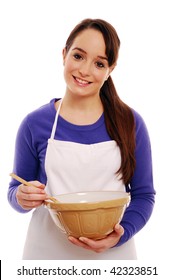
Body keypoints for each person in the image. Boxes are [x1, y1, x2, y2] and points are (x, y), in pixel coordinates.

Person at [8, 18, 155, 260]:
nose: (85, 70)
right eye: (78, 56)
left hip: (113, 257)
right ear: (64, 54)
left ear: (111, 70)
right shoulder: (34, 124)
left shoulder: (131, 123)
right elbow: (16, 190)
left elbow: (144, 195)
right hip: (46, 255)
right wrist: (22, 196)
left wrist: (121, 234)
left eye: (99, 63)